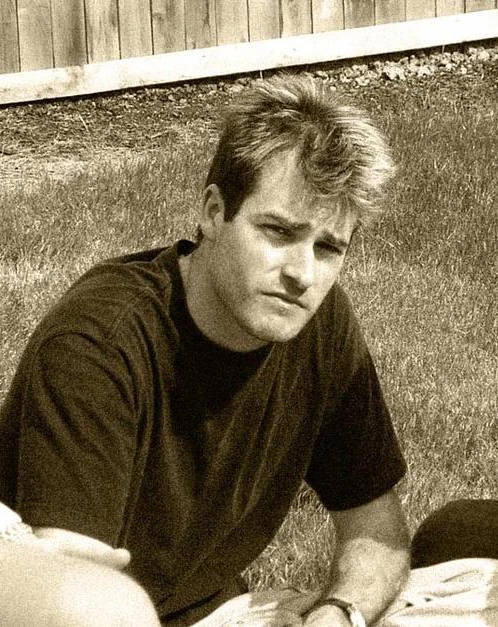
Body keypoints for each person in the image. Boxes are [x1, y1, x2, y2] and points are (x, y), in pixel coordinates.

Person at [0, 74, 495, 626]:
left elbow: (376, 531)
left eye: (328, 248)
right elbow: (73, 602)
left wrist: (339, 613)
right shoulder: (99, 343)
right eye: (278, 232)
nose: (302, 274)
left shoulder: (318, 323)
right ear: (214, 212)